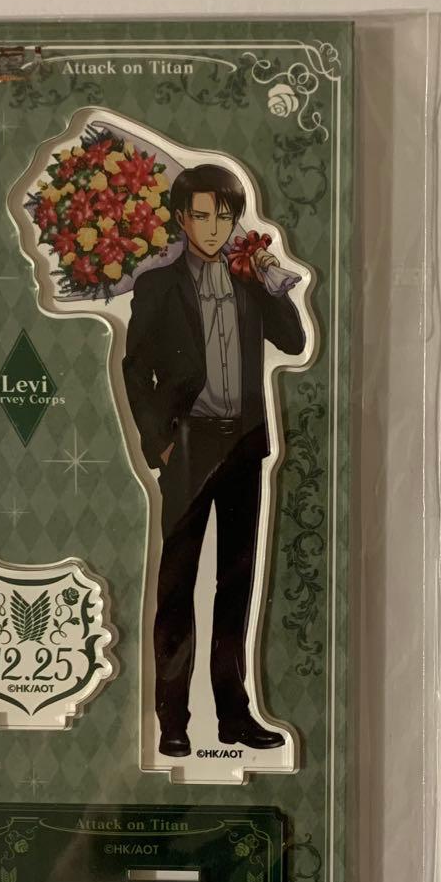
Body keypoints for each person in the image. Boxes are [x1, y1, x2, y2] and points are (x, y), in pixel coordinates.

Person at [122, 164, 305, 757]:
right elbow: (135, 369)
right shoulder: (159, 286)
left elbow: (296, 341)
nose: (212, 228)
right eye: (201, 215)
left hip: (244, 443)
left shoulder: (249, 281)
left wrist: (271, 279)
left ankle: (234, 714)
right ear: (182, 218)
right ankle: (172, 719)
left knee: (237, 583)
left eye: (223, 217)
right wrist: (159, 441)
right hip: (188, 443)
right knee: (177, 585)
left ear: (234, 219)